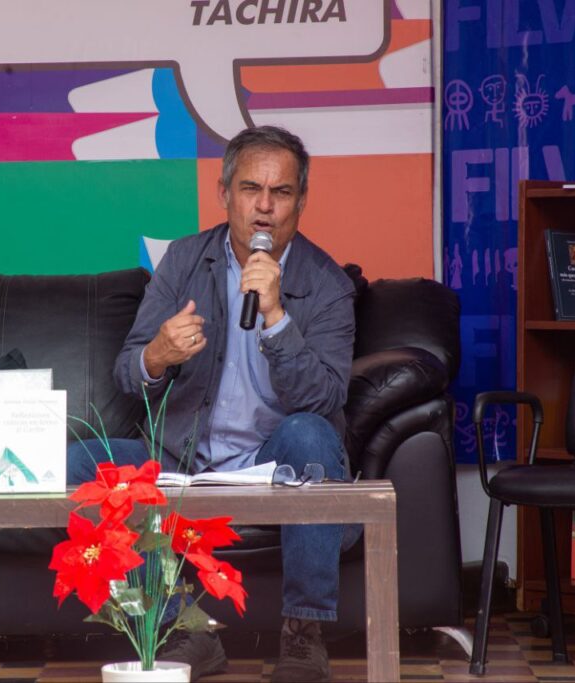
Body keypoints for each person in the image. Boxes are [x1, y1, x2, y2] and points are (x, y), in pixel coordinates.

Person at [66, 125, 359, 683]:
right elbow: (128, 372)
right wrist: (157, 355)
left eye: (282, 192)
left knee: (310, 434)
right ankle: (182, 629)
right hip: (182, 458)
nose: (265, 207)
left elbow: (324, 400)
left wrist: (275, 317)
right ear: (224, 193)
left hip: (273, 465)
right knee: (79, 464)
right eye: (251, 189)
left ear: (302, 201)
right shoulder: (183, 261)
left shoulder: (327, 285)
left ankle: (303, 633)